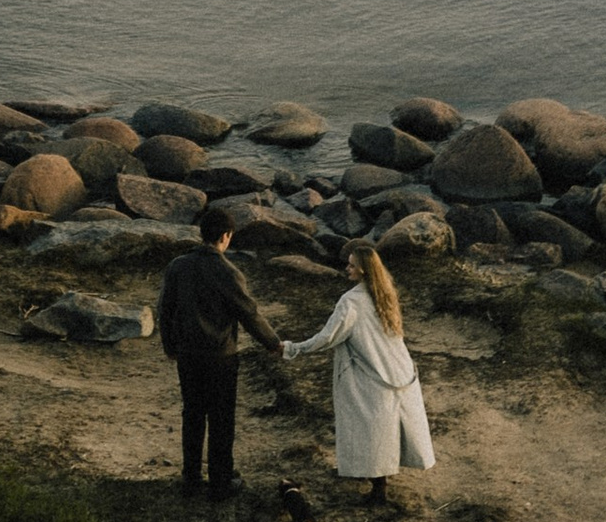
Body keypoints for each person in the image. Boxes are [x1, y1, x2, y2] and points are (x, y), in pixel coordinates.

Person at [156, 202, 285, 505]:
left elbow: (165, 310)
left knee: (192, 415)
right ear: (226, 236)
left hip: (187, 355)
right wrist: (273, 343)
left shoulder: (178, 266)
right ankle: (220, 482)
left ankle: (190, 478)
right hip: (221, 357)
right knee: (221, 419)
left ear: (201, 234)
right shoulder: (228, 272)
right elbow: (249, 313)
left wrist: (169, 346)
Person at [284, 244, 433, 504]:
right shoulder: (385, 293)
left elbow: (327, 337)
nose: (347, 268)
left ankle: (378, 489)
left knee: (371, 427)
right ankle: (377, 480)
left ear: (363, 270)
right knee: (385, 426)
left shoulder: (351, 301)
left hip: (372, 373)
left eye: (352, 265)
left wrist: (292, 349)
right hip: (398, 368)